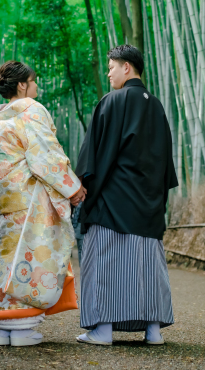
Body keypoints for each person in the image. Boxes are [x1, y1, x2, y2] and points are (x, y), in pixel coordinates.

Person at [0, 60, 87, 347]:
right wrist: (73, 188)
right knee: (28, 260)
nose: (36, 86)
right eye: (33, 81)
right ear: (22, 85)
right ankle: (22, 329)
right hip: (27, 201)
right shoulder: (32, 111)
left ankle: (5, 329)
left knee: (4, 260)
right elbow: (46, 155)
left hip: (2, 204)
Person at [75, 45, 177, 346]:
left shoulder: (112, 101)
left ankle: (103, 330)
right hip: (148, 205)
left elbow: (93, 155)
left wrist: (82, 190)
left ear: (127, 68)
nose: (108, 73)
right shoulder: (156, 106)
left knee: (105, 262)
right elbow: (164, 165)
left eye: (111, 67)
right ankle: (153, 331)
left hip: (113, 203)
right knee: (147, 265)